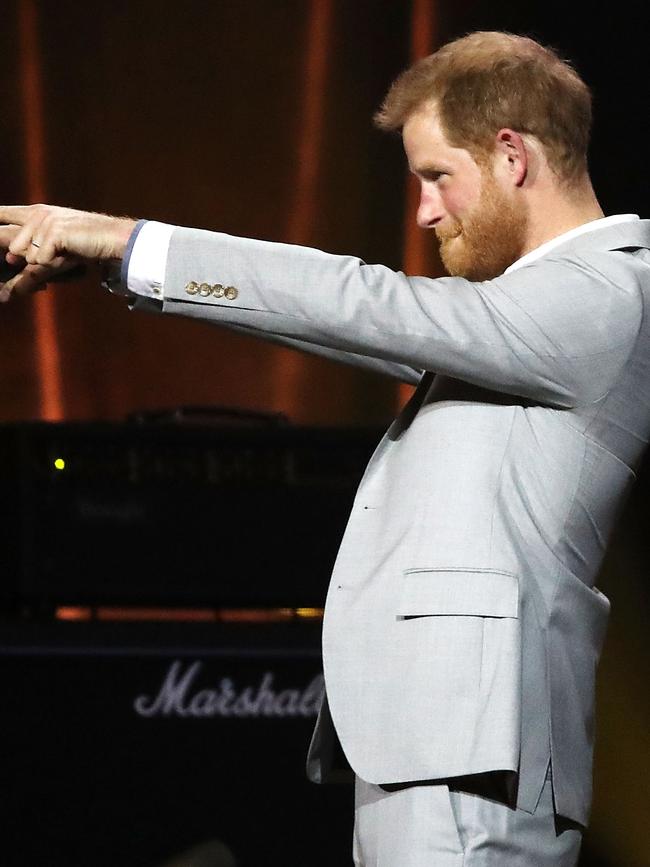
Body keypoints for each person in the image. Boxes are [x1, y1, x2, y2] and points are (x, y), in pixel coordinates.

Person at [1, 30, 649, 867]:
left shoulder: (609, 292)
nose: (423, 210)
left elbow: (367, 304)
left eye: (436, 176)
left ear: (512, 156)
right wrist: (114, 265)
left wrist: (129, 240)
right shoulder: (522, 318)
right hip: (430, 750)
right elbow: (371, 329)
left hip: (472, 759)